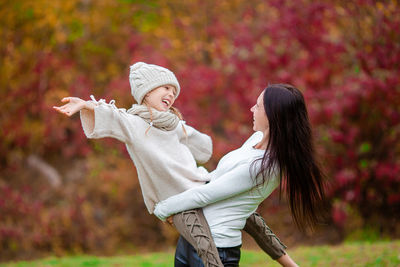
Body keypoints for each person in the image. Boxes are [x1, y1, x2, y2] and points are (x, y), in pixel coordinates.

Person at [53, 63, 292, 267]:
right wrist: (86, 105)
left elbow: (202, 147)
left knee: (249, 217)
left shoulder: (174, 123)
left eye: (173, 90)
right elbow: (115, 116)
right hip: (175, 198)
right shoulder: (134, 124)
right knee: (202, 238)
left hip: (196, 185)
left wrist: (190, 137)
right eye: (165, 87)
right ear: (146, 93)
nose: (171, 93)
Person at [154, 84, 326, 266]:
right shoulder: (256, 139)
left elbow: (206, 195)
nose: (252, 109)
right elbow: (217, 180)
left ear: (272, 116)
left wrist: (162, 209)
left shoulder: (263, 166)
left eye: (258, 106)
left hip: (216, 249)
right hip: (191, 240)